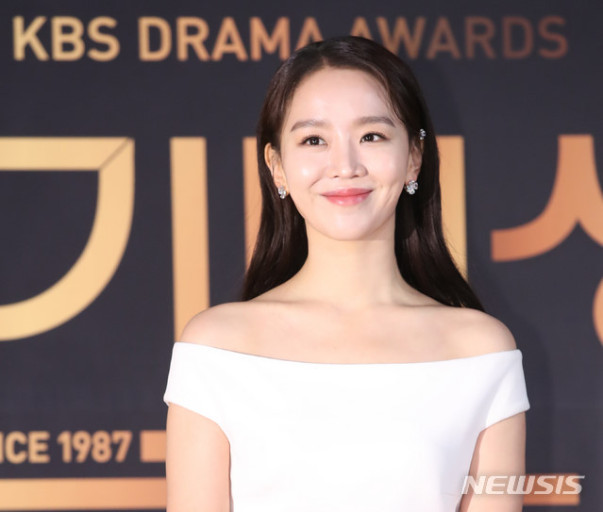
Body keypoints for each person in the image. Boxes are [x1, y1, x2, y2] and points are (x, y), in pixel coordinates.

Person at [163, 35, 530, 511]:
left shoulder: (479, 351)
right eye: (314, 140)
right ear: (277, 166)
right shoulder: (217, 348)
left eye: (371, 136)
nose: (345, 166)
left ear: (414, 156)